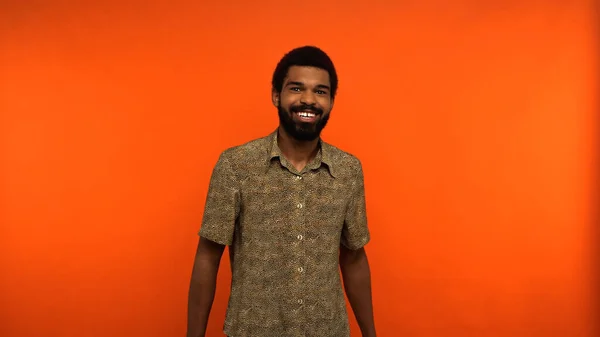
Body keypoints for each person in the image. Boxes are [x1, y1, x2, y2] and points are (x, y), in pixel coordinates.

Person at [187, 46, 376, 337]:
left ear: (331, 101)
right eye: (296, 88)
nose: (308, 100)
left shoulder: (348, 170)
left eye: (320, 91)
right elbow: (208, 257)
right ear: (276, 95)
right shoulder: (237, 165)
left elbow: (353, 257)